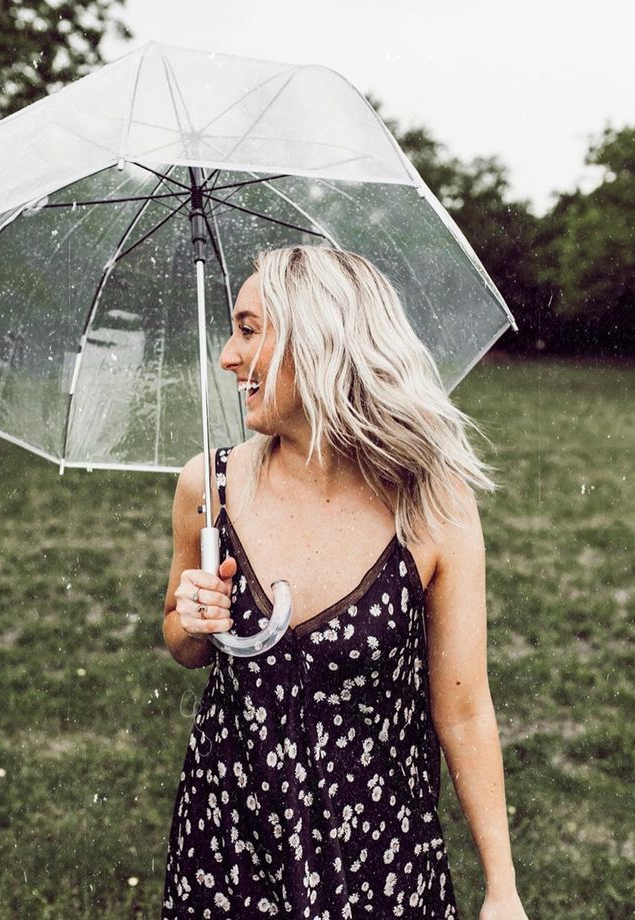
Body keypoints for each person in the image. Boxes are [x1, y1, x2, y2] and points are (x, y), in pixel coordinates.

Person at [160, 245, 529, 919]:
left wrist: (501, 889)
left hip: (379, 847)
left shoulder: (431, 506)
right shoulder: (206, 488)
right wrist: (192, 617)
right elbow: (183, 646)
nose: (226, 357)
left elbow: (465, 708)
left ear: (321, 341)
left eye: (248, 329)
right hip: (230, 839)